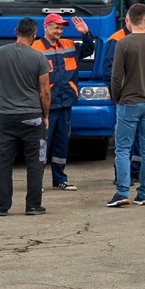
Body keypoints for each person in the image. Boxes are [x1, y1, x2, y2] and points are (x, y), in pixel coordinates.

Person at [0, 17, 52, 216]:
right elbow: (45, 92)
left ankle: (2, 206)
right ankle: (33, 205)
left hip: (6, 117)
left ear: (16, 31)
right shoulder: (39, 57)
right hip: (32, 117)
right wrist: (45, 115)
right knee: (35, 161)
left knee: (3, 161)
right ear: (34, 34)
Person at [106, 3, 145, 207]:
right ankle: (143, 194)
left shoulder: (123, 43)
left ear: (128, 20)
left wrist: (117, 98)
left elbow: (116, 76)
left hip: (128, 101)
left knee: (123, 149)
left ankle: (122, 192)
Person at [32, 12, 96, 191]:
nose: (59, 30)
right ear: (46, 27)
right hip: (46, 105)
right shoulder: (35, 48)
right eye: (56, 27)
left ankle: (59, 179)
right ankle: (37, 181)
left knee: (62, 143)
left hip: (65, 103)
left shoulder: (69, 45)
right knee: (42, 143)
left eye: (61, 27)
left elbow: (89, 50)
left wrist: (86, 34)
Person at [102, 16, 142, 182]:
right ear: (126, 21)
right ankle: (122, 176)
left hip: (140, 96)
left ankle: (137, 172)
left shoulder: (142, 38)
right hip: (125, 97)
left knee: (140, 138)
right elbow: (109, 71)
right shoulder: (116, 39)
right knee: (125, 139)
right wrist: (116, 95)